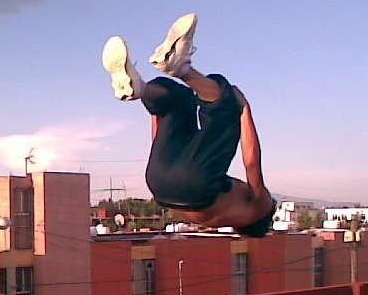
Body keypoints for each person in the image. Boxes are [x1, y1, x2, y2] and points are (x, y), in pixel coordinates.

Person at [102, 13, 277, 237]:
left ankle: (180, 68)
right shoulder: (223, 218)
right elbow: (165, 147)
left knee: (225, 106)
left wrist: (243, 108)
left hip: (196, 184)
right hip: (158, 183)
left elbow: (252, 162)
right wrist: (158, 114)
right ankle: (139, 88)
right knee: (178, 100)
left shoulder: (259, 208)